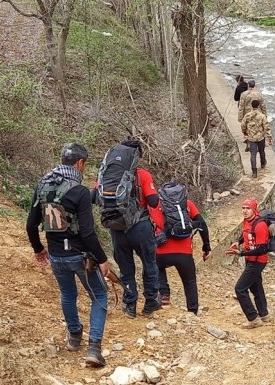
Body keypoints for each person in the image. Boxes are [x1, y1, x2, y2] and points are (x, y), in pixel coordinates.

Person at [26, 143, 109, 368]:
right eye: (85, 165)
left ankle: (74, 336)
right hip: (80, 256)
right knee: (100, 295)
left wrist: (38, 248)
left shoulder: (42, 185)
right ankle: (94, 348)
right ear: (80, 163)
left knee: (67, 294)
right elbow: (88, 232)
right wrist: (102, 259)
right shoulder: (80, 191)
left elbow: (31, 224)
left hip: (56, 256)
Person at [93, 139, 162, 318]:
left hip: (117, 227)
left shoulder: (107, 175)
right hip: (141, 228)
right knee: (149, 264)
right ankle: (150, 301)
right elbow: (153, 201)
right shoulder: (143, 175)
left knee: (126, 268)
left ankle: (130, 304)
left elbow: (94, 197)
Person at [152, 182, 212, 315]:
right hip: (184, 253)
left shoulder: (156, 205)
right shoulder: (187, 204)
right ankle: (192, 311)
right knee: (189, 281)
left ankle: (164, 294)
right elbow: (202, 224)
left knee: (156, 265)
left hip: (161, 252)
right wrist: (206, 246)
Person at [225, 197, 271, 329]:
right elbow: (246, 234)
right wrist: (238, 242)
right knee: (256, 287)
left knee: (240, 289)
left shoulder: (260, 225)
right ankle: (264, 314)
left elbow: (262, 249)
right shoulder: (247, 221)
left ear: (254, 210)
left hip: (257, 261)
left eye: (248, 208)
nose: (245, 211)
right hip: (251, 259)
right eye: (243, 208)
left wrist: (241, 254)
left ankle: (253, 318)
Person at [240, 99, 273, 179]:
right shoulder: (262, 116)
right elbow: (266, 127)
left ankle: (254, 172)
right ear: (258, 106)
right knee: (262, 151)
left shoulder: (247, 115)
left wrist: (244, 132)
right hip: (261, 137)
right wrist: (270, 138)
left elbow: (243, 125)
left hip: (251, 138)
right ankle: (262, 163)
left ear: (252, 106)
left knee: (253, 155)